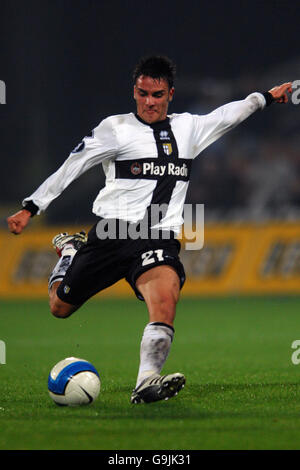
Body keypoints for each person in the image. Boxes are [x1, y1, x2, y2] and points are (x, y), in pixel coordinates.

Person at [6, 55, 292, 404]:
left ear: (170, 93)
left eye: (157, 95)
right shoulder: (115, 128)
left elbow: (228, 115)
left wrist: (266, 97)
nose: (149, 102)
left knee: (165, 299)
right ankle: (69, 252)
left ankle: (146, 381)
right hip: (111, 234)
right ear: (135, 92)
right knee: (59, 307)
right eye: (142, 94)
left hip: (157, 237)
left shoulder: (188, 129)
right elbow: (74, 165)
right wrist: (32, 206)